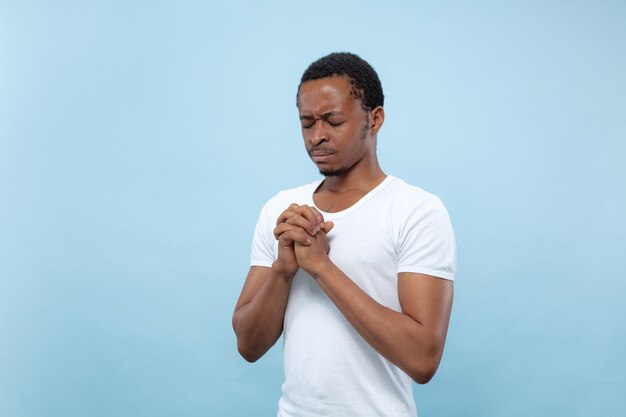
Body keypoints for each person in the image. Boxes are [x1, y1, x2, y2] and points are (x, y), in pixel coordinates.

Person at [232, 52, 456, 417]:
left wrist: (321, 267)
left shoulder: (416, 211)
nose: (317, 136)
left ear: (375, 118)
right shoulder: (282, 210)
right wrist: (283, 270)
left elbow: (423, 359)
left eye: (333, 120)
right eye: (307, 123)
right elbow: (247, 345)